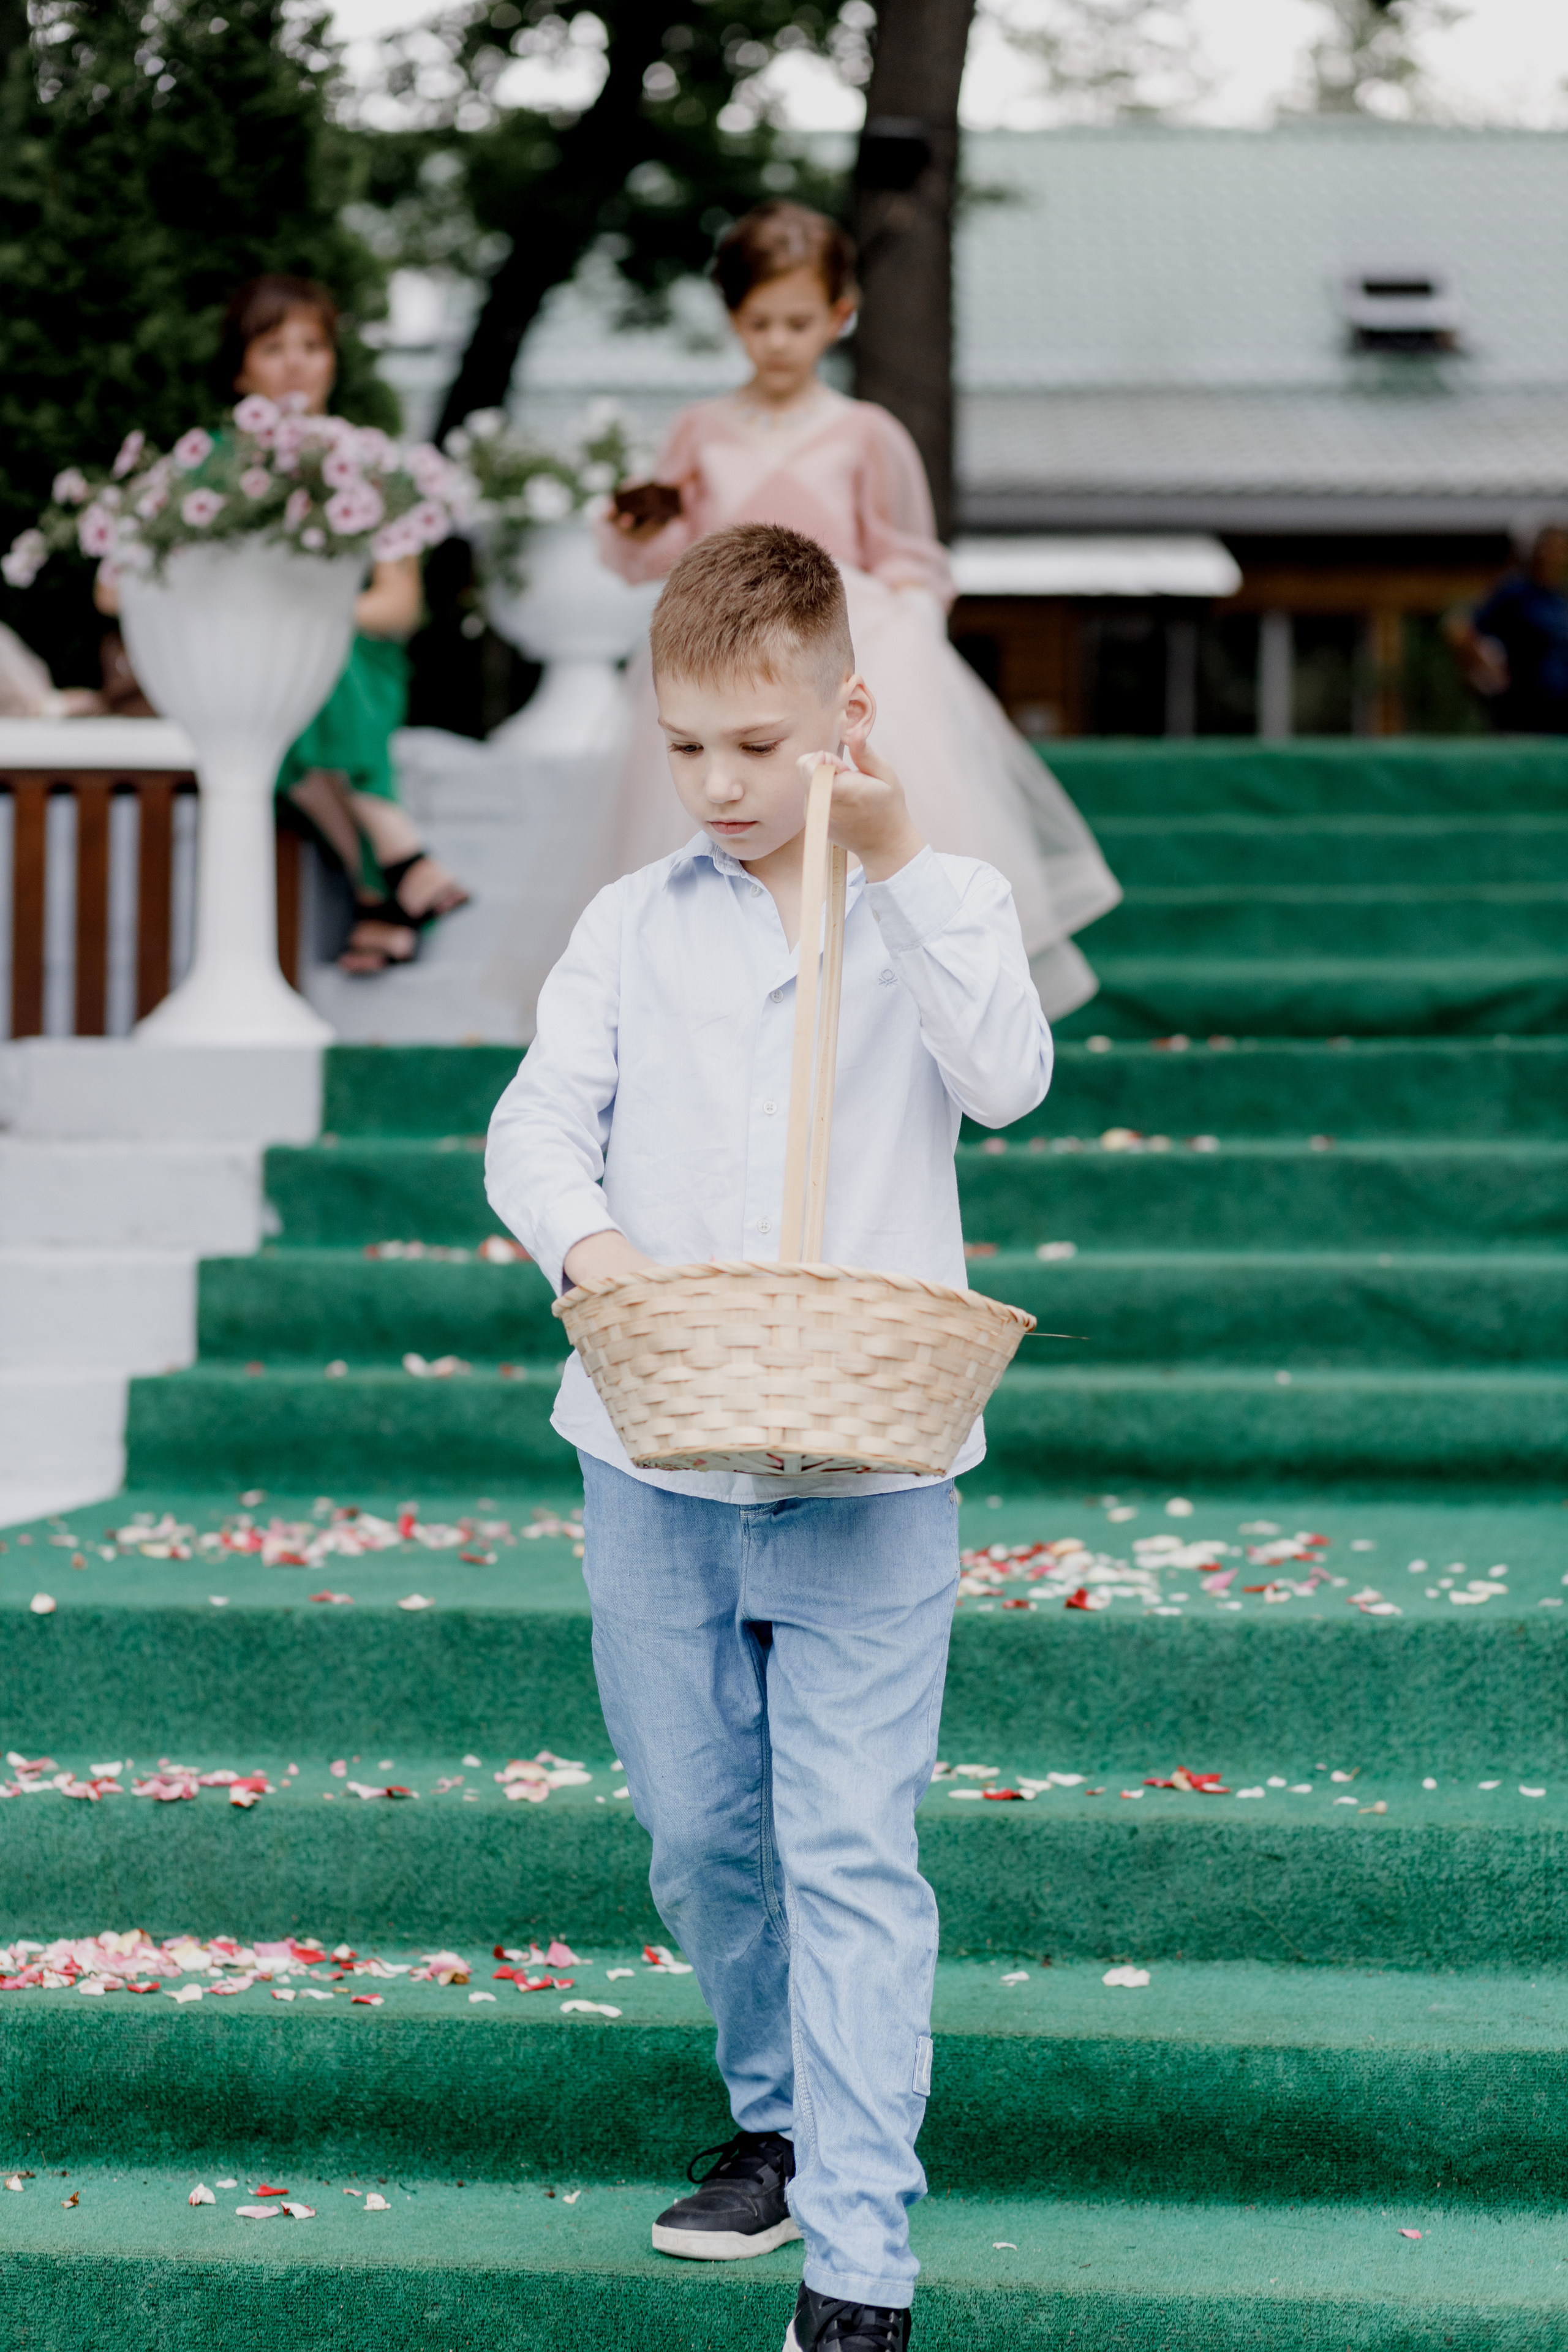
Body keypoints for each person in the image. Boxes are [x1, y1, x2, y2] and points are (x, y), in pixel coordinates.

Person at [486, 522, 1052, 2352]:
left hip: (871, 1467)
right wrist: (602, 1253)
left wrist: (892, 861)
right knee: (698, 1832)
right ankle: (783, 2114)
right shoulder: (628, 926)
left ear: (845, 715)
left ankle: (860, 2263)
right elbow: (535, 1129)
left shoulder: (932, 902)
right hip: (655, 1447)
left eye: (760, 744)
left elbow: (1009, 1076)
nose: (721, 785)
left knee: (849, 1847)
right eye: (688, 748)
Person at [484, 200, 1118, 1035]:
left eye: (799, 321)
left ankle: (867, 1015)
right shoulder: (699, 430)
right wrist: (643, 525)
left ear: (839, 317)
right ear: (732, 319)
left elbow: (908, 556)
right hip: (721, 658)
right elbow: (655, 557)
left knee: (855, 832)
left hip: (842, 654)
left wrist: (913, 641)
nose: (779, 341)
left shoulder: (866, 433)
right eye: (759, 323)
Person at [221, 276, 471, 973]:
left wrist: (303, 622)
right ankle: (396, 863)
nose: (297, 362)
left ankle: (379, 889)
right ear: (242, 368)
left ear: (333, 360)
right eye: (274, 347)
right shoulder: (210, 471)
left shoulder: (373, 466)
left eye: (313, 345)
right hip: (247, 670)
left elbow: (399, 605)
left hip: (358, 665)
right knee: (281, 673)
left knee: (309, 656)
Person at [1444, 524, 1568, 733]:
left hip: (1560, 713)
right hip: (1524, 713)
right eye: (1549, 548)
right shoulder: (1516, 592)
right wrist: (1483, 673)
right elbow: (1459, 629)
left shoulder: (1559, 599)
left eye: (1562, 549)